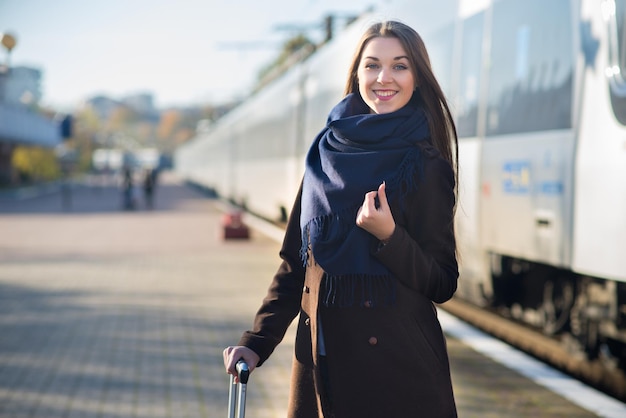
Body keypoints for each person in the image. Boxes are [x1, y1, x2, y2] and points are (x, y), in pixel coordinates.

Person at [223, 20, 459, 418]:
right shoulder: (323, 155)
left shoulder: (425, 164)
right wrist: (257, 341)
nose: (384, 78)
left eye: (400, 66)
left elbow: (442, 281)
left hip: (397, 377)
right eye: (372, 65)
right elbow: (295, 265)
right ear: (357, 74)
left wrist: (390, 237)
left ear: (417, 79)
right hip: (321, 369)